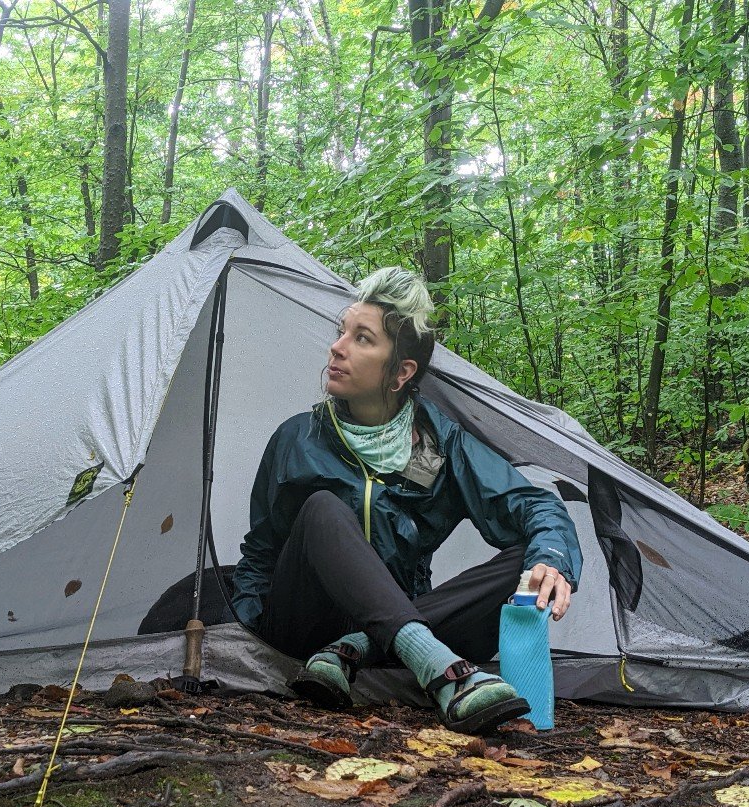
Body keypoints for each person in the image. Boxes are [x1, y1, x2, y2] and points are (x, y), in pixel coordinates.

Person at [231, 267, 582, 734]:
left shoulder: (439, 445)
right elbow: (260, 552)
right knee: (322, 509)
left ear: (401, 372)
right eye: (342, 333)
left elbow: (534, 505)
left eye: (362, 339)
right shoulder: (298, 437)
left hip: (401, 623)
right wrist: (250, 640)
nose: (337, 348)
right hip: (301, 627)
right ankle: (440, 670)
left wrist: (552, 558)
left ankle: (359, 648)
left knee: (528, 560)